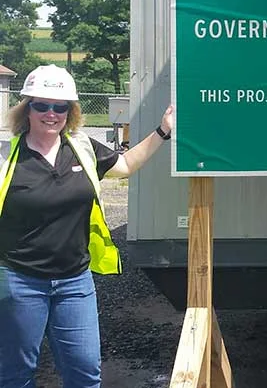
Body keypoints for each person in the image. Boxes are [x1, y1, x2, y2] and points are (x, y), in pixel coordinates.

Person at [0, 65, 174, 388]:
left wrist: (163, 131)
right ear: (27, 109)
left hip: (74, 284)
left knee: (85, 374)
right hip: (20, 283)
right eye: (41, 105)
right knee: (15, 376)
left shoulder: (82, 147)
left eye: (60, 106)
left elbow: (126, 165)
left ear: (70, 111)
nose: (50, 114)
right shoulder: (7, 156)